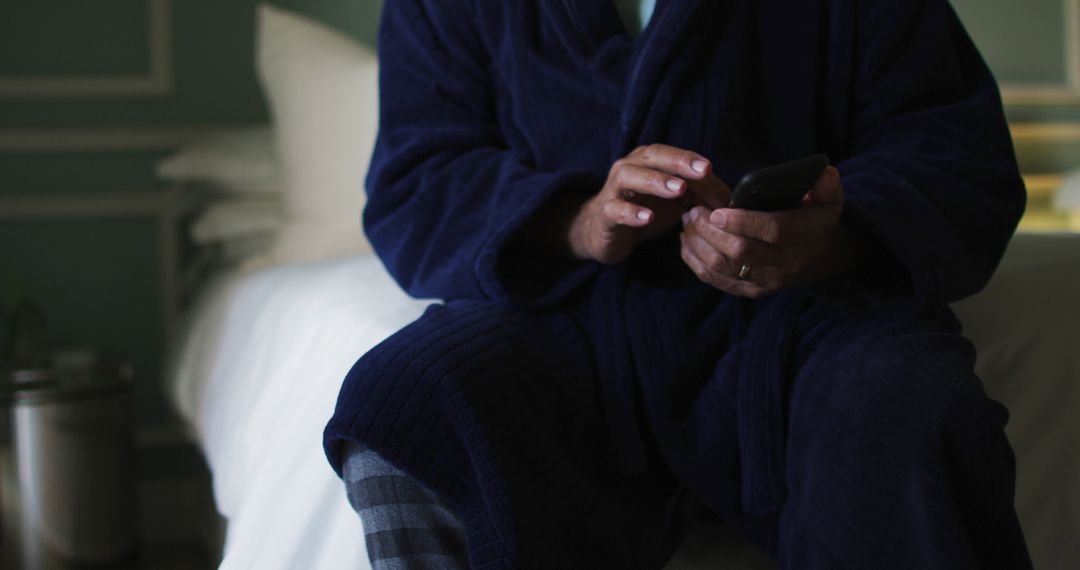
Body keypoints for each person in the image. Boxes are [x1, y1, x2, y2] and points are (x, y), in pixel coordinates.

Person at [323, 0, 1034, 568]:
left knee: (911, 400)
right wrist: (579, 222)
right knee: (407, 400)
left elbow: (954, 150)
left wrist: (832, 235)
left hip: (809, 312)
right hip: (566, 310)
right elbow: (417, 180)